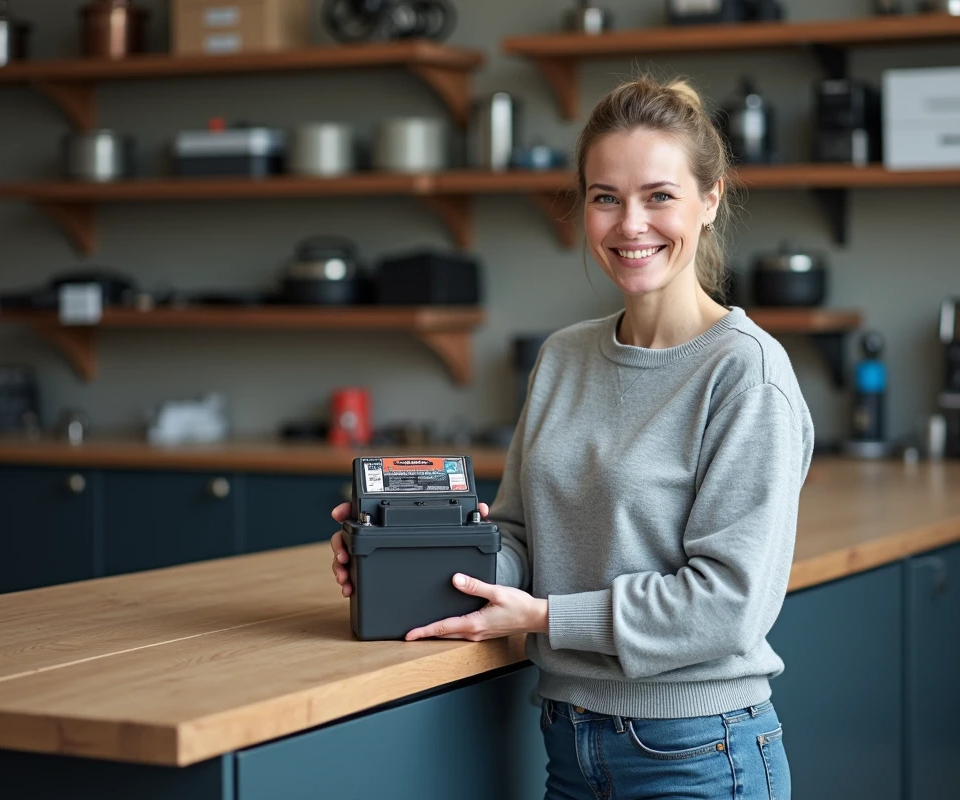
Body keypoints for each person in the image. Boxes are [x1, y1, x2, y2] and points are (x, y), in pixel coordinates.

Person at [330, 74, 814, 800]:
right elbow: (522, 535)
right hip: (569, 744)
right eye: (605, 197)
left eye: (659, 195)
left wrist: (548, 619)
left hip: (699, 754)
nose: (630, 225)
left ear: (709, 201)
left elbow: (727, 604)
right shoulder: (563, 357)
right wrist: (405, 552)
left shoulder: (746, 374)